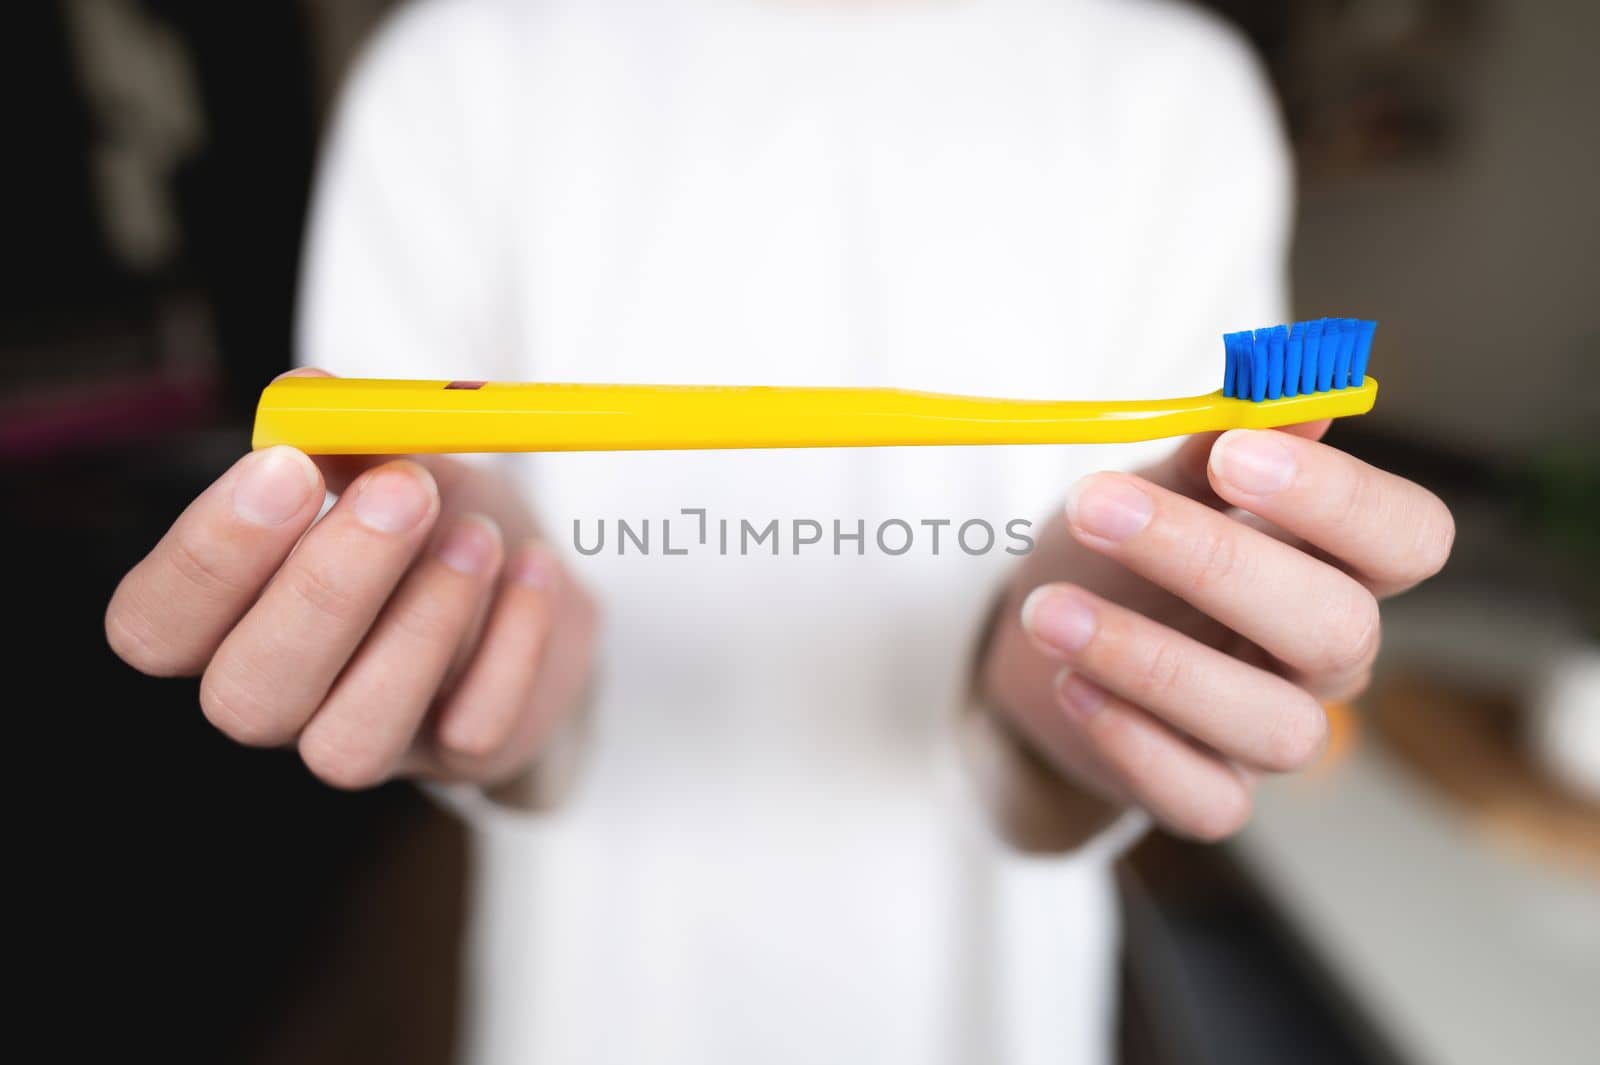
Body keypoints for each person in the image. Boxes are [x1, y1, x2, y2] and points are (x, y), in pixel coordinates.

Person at [105, 1, 1455, 1062]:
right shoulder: (457, 65)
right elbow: (400, 490)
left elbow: (1121, 596)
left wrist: (1104, 658)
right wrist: (460, 618)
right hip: (598, 1003)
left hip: (999, 1009)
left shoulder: (1179, 92)